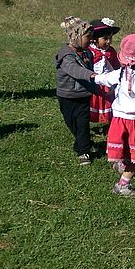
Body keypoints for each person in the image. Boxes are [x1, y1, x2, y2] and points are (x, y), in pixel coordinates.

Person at [94, 35, 135, 196]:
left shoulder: (121, 72)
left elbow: (104, 78)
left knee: (127, 150)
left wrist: (94, 77)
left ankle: (122, 163)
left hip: (118, 121)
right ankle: (123, 185)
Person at [54, 16, 97, 165]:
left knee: (82, 123)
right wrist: (90, 75)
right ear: (75, 36)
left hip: (83, 96)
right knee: (72, 123)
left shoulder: (88, 53)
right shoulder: (66, 55)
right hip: (67, 97)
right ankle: (81, 141)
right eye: (88, 37)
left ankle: (83, 151)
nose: (91, 40)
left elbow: (89, 73)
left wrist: (100, 89)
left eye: (92, 37)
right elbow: (75, 70)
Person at [88, 18, 121, 124]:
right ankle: (95, 117)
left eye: (110, 38)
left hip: (108, 81)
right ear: (94, 39)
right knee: (96, 101)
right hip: (95, 82)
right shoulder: (89, 51)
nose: (108, 42)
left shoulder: (111, 51)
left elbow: (116, 65)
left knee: (107, 101)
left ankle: (109, 121)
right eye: (105, 39)